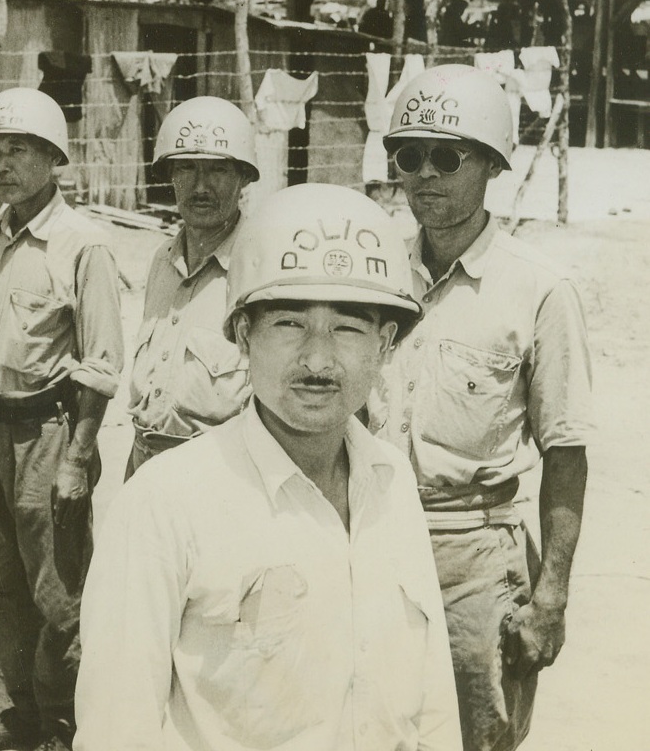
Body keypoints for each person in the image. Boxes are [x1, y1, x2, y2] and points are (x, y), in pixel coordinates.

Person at [76, 184, 463, 751]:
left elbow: (429, 697)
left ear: (385, 346)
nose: (317, 359)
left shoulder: (392, 481)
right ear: (241, 335)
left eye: (348, 328)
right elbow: (117, 726)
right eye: (288, 323)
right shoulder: (165, 501)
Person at [368, 64, 593, 751]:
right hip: (375, 537)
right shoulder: (373, 273)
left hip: (477, 551)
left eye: (446, 157)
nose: (425, 176)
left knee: (478, 734)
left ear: (492, 165)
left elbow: (567, 451)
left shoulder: (539, 290)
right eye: (410, 156)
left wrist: (550, 595)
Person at [0, 88, 125, 751]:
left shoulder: (84, 244)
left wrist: (78, 458)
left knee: (55, 589)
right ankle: (23, 709)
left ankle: (64, 724)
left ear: (55, 158)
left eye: (17, 150)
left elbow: (101, 364)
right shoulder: (1, 233)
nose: (2, 164)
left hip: (50, 433)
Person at [125, 95, 259, 477]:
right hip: (145, 460)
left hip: (217, 472)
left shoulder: (258, 269)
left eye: (217, 170)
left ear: (244, 176)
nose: (200, 186)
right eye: (186, 168)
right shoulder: (161, 261)